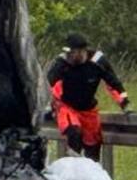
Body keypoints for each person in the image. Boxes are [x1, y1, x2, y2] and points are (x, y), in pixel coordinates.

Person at [46, 34, 130, 162]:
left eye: (72, 53)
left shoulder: (97, 62)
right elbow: (48, 85)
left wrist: (125, 103)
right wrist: (49, 106)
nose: (69, 57)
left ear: (82, 52)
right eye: (67, 53)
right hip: (66, 106)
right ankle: (73, 167)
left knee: (93, 145)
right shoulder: (61, 63)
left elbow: (113, 83)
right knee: (74, 132)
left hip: (88, 109)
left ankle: (92, 172)